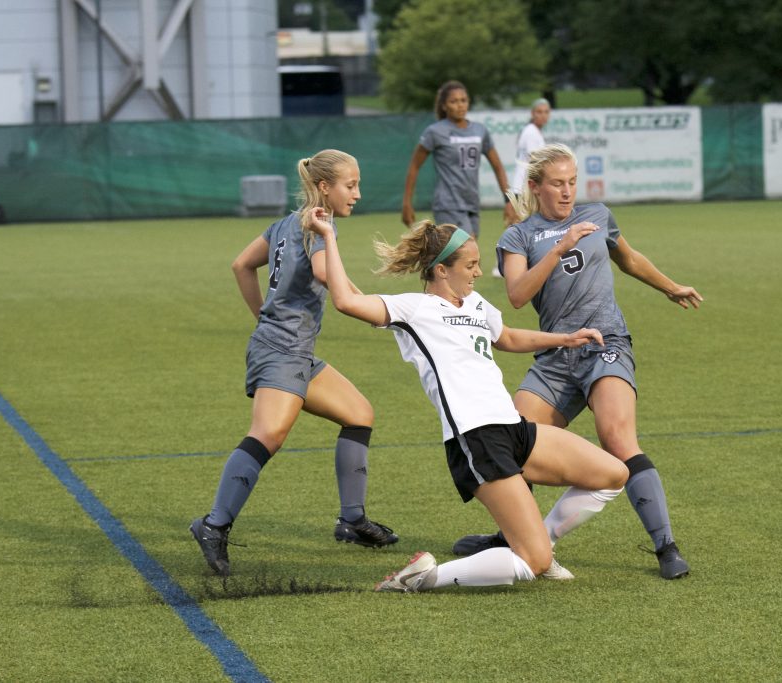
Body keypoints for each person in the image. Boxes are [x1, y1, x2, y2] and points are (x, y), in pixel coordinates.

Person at [304, 212, 629, 592]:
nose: (477, 272)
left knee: (613, 474)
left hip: (513, 426)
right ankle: (423, 577)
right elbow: (345, 300)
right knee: (534, 562)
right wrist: (328, 236)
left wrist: (566, 339)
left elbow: (507, 337)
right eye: (470, 265)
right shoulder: (414, 309)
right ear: (442, 270)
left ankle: (539, 543)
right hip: (476, 438)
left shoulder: (475, 303)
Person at [453, 143, 703, 580]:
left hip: (606, 345)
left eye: (572, 182)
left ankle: (666, 546)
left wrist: (670, 287)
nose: (567, 191)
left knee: (618, 439)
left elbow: (629, 259)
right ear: (535, 187)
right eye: (557, 184)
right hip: (555, 357)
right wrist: (559, 247)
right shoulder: (518, 237)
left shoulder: (598, 215)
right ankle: (513, 537)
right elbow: (517, 295)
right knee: (510, 438)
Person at [189, 150, 398, 577]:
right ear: (324, 187)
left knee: (359, 414)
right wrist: (336, 254)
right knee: (268, 434)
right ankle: (213, 525)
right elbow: (325, 274)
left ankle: (352, 520)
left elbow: (241, 265)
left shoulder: (287, 223)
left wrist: (264, 316)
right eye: (350, 185)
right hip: (281, 352)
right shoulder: (319, 227)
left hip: (293, 351)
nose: (357, 193)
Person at [401, 80, 518, 277]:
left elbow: (498, 166)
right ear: (444, 105)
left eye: (463, 100)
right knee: (467, 254)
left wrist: (508, 200)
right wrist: (407, 203)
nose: (460, 105)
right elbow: (414, 166)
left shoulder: (479, 131)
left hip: (471, 202)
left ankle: (435, 278)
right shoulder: (435, 132)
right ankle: (448, 287)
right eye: (454, 101)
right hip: (448, 203)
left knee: (460, 258)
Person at [510, 98, 552, 200]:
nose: (543, 115)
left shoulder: (534, 131)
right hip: (524, 187)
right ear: (533, 114)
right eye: (539, 112)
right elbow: (535, 160)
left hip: (526, 187)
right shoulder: (531, 132)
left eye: (546, 112)